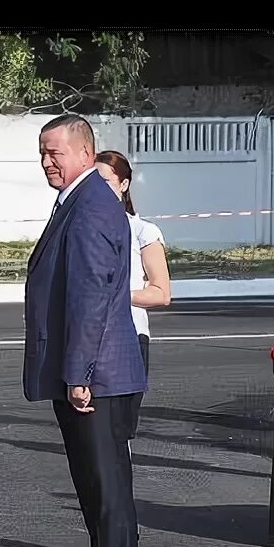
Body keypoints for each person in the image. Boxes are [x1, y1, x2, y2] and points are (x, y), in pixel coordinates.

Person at [23, 114, 147, 547]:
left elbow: (93, 297)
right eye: (43, 152)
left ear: (84, 151)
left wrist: (79, 374)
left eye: (57, 152)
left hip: (97, 377)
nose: (48, 161)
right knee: (96, 490)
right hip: (91, 373)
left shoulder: (92, 204)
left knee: (107, 490)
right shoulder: (79, 200)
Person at [94, 150, 171, 392]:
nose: (97, 189)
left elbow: (161, 293)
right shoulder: (81, 230)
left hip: (129, 337)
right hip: (88, 338)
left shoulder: (143, 231)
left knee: (122, 423)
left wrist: (114, 296)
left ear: (124, 184)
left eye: (105, 181)